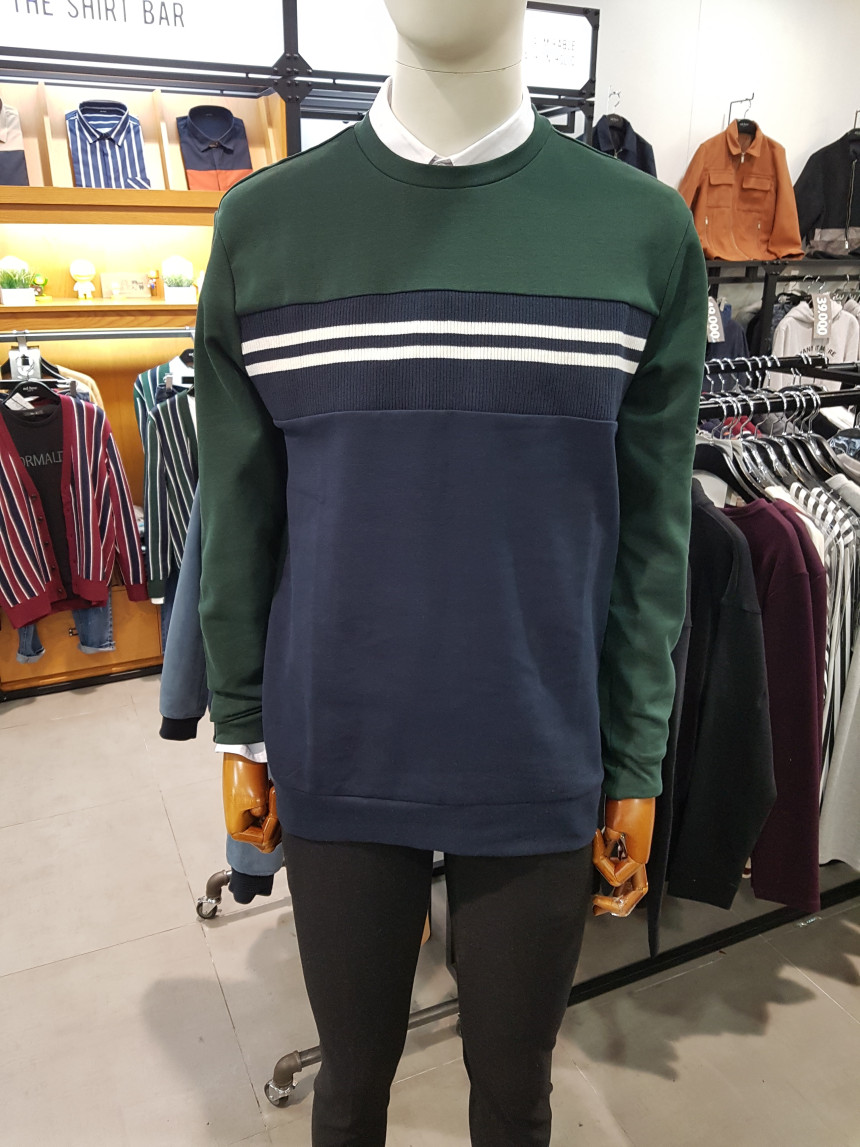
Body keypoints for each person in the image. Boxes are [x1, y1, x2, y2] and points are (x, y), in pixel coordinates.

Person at [195, 1, 708, 1142]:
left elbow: (651, 534)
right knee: (350, 1083)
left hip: (539, 742)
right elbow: (236, 510)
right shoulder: (267, 224)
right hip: (336, 735)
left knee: (514, 1090)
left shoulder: (639, 229)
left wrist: (635, 748)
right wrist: (244, 720)